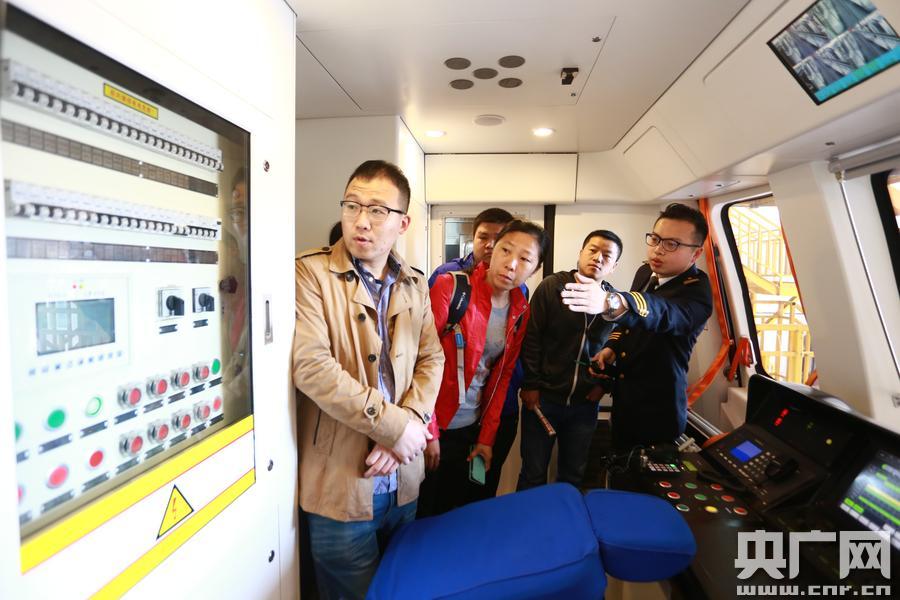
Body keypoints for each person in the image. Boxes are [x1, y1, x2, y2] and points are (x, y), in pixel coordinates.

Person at [293, 160, 444, 600]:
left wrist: (408, 424)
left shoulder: (414, 283)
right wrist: (394, 428)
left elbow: (432, 357)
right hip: (340, 486)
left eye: (377, 210)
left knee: (403, 590)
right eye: (352, 205)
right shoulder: (309, 273)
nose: (361, 221)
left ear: (403, 223)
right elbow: (312, 366)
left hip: (404, 481)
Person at [419, 220, 549, 516]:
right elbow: (417, 361)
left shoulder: (520, 308)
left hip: (473, 427)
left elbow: (502, 378)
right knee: (428, 514)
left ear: (535, 269)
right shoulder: (450, 287)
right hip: (436, 425)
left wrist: (486, 438)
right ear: (493, 249)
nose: (511, 264)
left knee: (468, 514)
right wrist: (429, 431)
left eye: (525, 259)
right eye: (506, 250)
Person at [562, 203, 713, 450]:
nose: (658, 250)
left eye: (671, 244)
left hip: (657, 412)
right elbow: (631, 324)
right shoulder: (646, 271)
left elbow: (660, 313)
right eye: (655, 239)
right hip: (626, 400)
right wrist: (611, 347)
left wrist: (610, 301)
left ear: (695, 254)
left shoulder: (698, 293)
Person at [516, 230, 623, 490]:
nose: (598, 258)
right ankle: (527, 517)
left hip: (584, 405)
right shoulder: (552, 286)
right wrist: (530, 385)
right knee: (533, 473)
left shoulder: (614, 302)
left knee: (573, 475)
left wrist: (603, 386)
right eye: (592, 250)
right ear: (581, 253)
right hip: (544, 399)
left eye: (607, 255)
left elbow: (617, 346)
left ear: (614, 267)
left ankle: (564, 517)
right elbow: (532, 338)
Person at [428, 207, 524, 497]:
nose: (491, 246)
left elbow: (505, 367)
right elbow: (423, 357)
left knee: (476, 496)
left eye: (501, 241)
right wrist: (428, 428)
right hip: (442, 416)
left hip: (486, 412)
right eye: (485, 237)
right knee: (433, 501)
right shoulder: (449, 281)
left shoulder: (520, 298)